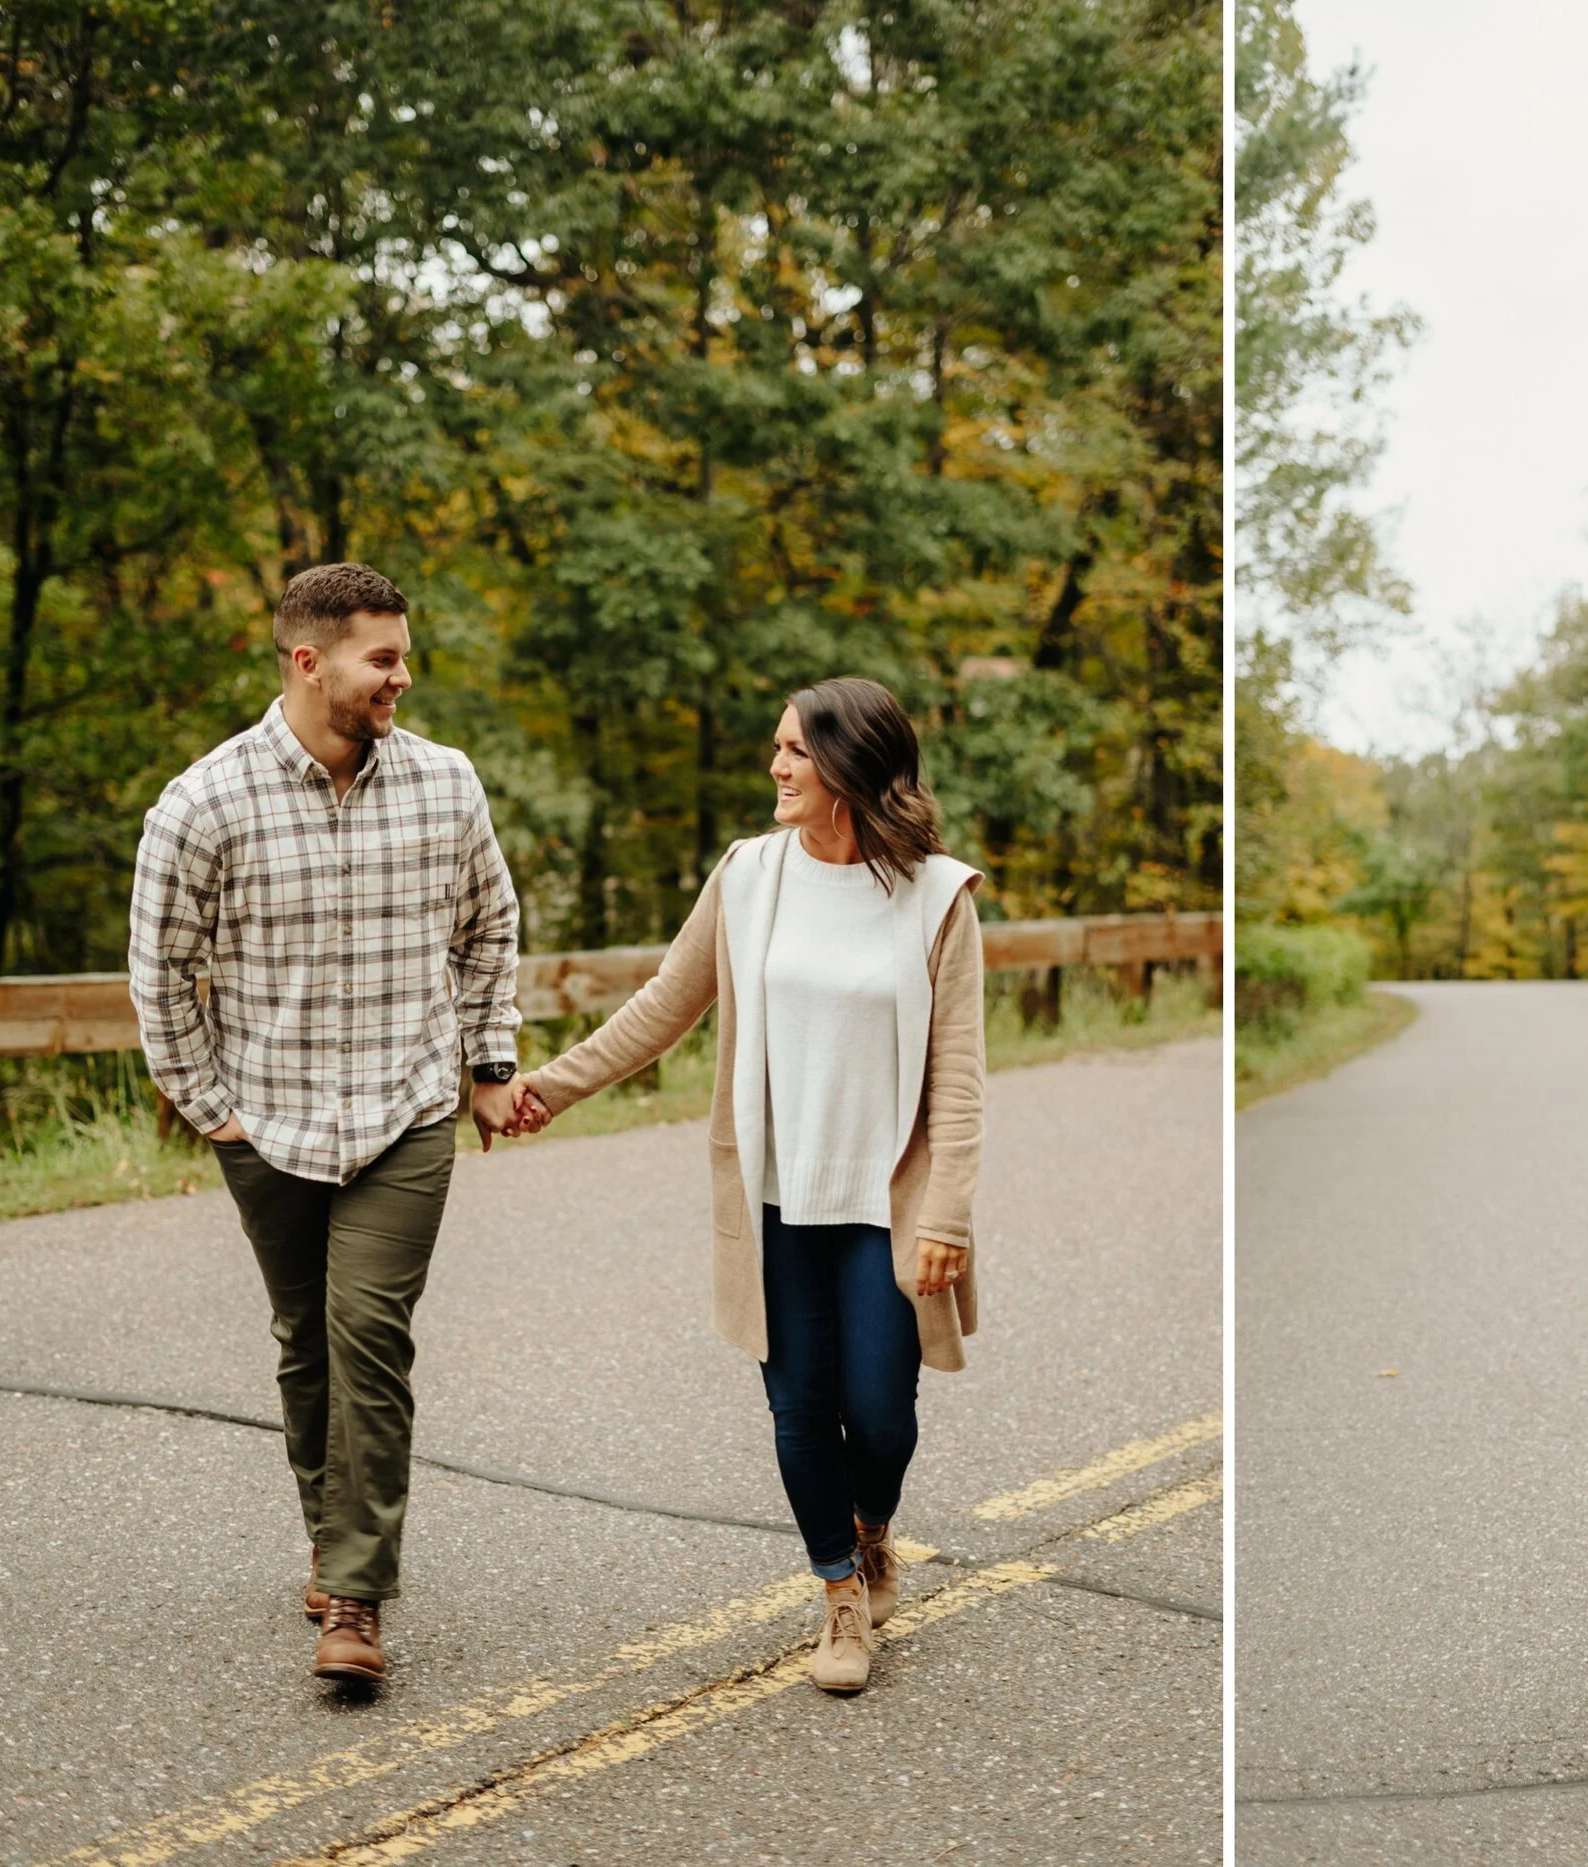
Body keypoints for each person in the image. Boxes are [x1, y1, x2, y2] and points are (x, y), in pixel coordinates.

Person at [514, 676, 984, 1698]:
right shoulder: (747, 878)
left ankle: (872, 1527)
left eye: (795, 752)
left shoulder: (938, 897)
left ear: (850, 767)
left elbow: (959, 1074)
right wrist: (550, 1087)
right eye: (776, 747)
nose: (775, 767)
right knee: (802, 1409)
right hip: (774, 1197)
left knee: (884, 1410)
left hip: (883, 1201)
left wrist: (945, 1211)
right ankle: (841, 1596)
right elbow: (661, 1005)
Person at [128, 562, 538, 1687]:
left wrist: (487, 1060)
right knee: (306, 1341)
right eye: (384, 658)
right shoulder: (202, 803)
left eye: (403, 655)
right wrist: (213, 1109)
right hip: (267, 1123)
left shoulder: (446, 784)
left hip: (406, 1112)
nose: (403, 676)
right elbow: (160, 976)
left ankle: (355, 1597)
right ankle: (329, 1531)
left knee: (369, 1334)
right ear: (309, 661)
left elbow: (488, 927)